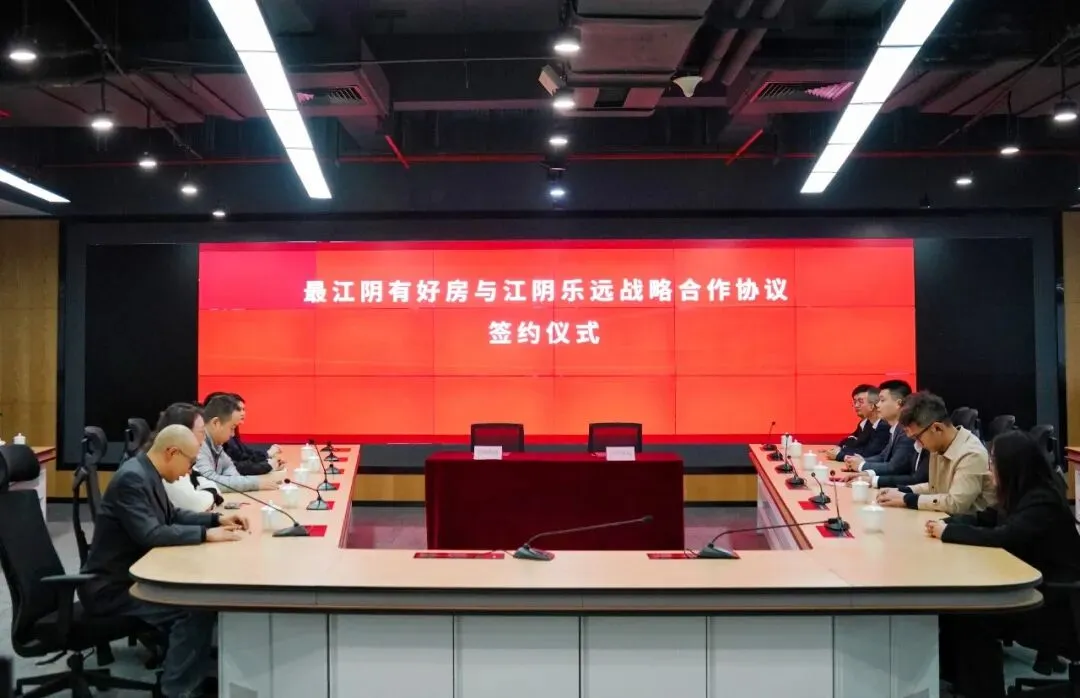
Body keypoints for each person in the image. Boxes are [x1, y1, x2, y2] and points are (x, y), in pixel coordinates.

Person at [79, 425, 249, 698]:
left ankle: (187, 674)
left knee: (196, 601)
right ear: (172, 452)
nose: (190, 471)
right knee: (192, 609)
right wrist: (205, 534)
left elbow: (172, 515)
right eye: (190, 462)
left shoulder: (146, 471)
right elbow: (151, 534)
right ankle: (175, 690)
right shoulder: (132, 479)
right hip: (112, 589)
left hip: (132, 575)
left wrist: (216, 519)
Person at [929, 430, 1080, 698]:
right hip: (1028, 585)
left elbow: (1003, 537)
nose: (990, 470)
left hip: (1052, 601)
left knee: (972, 618)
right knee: (958, 612)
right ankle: (957, 683)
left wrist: (949, 532)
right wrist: (947, 523)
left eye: (993, 463)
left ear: (1011, 465)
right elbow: (987, 518)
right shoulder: (1020, 492)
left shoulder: (1041, 500)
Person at [876, 391, 995, 515]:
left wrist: (906, 499)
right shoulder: (938, 447)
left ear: (937, 428)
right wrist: (902, 490)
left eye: (917, 437)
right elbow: (936, 488)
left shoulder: (971, 454)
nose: (917, 444)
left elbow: (955, 503)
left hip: (969, 524)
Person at [194, 394, 283, 492]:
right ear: (216, 423)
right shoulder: (198, 443)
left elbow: (229, 468)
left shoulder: (216, 444)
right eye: (232, 428)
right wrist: (253, 483)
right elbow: (208, 481)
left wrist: (239, 483)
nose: (233, 434)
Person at [835, 380, 917, 486]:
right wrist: (865, 471)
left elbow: (894, 467)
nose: (877, 405)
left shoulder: (907, 432)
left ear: (898, 403)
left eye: (882, 400)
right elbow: (883, 456)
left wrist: (861, 465)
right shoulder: (896, 428)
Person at [153, 403, 220, 512]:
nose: (204, 439)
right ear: (183, 432)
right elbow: (194, 506)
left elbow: (205, 481)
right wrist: (212, 493)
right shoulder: (170, 461)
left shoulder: (181, 455)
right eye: (202, 432)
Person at [824, 384, 890, 462]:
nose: (856, 405)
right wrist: (839, 448)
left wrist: (839, 455)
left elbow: (867, 453)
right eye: (855, 402)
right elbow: (853, 440)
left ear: (873, 405)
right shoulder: (867, 423)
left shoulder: (884, 426)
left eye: (860, 401)